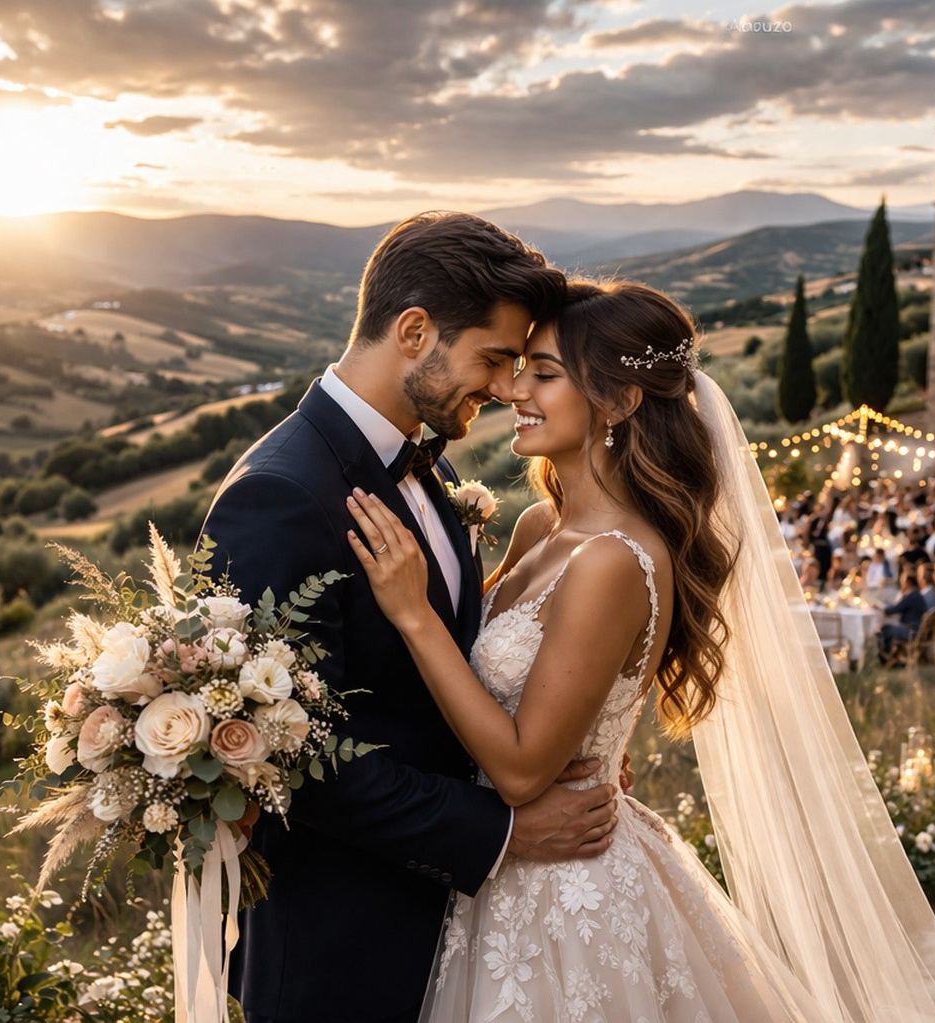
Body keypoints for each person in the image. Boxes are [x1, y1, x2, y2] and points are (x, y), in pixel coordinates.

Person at [346, 279, 935, 1022]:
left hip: (560, 894)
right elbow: (493, 686)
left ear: (619, 401)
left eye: (544, 373)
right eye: (521, 367)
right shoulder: (539, 530)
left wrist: (414, 615)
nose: (515, 388)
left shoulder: (615, 561)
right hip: (492, 870)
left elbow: (522, 769)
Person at [199, 212, 620, 1023]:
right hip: (342, 942)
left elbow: (446, 668)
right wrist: (503, 831)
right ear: (416, 331)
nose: (504, 388)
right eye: (494, 358)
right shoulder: (280, 494)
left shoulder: (429, 464)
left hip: (455, 932)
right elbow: (297, 757)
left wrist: (565, 736)